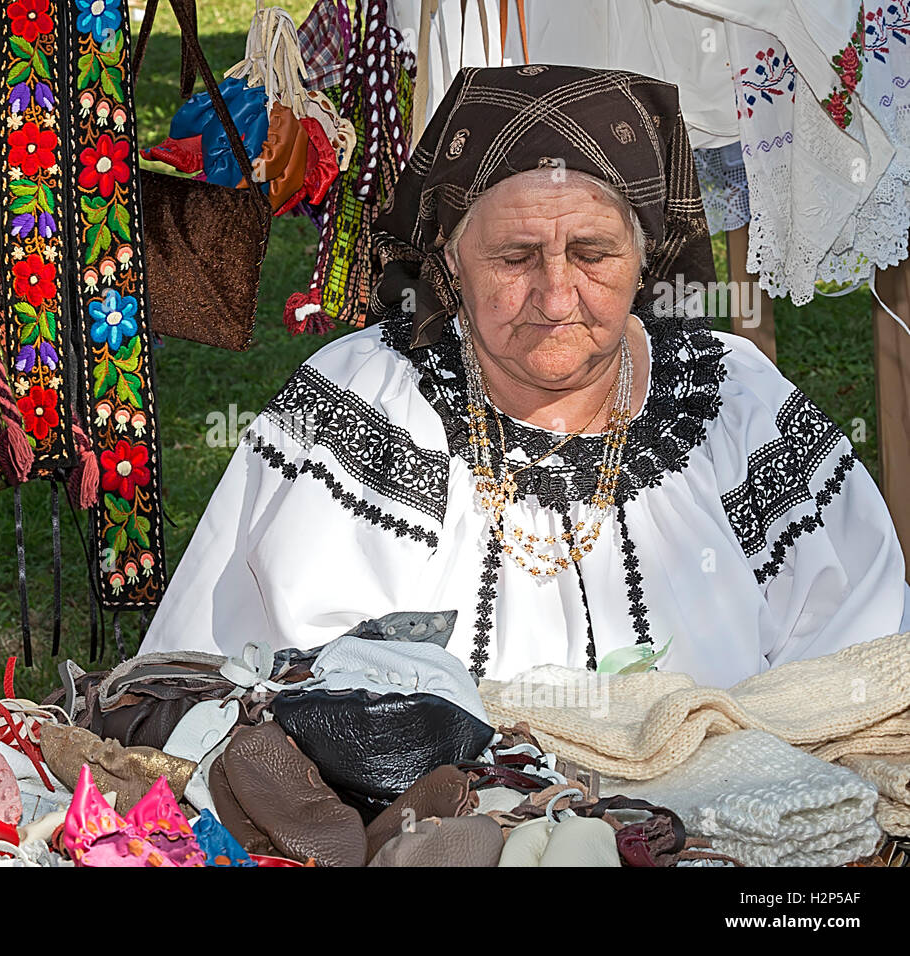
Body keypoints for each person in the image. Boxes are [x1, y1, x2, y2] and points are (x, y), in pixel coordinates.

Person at [140, 65, 910, 687]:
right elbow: (271, 674)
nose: (555, 296)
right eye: (514, 258)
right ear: (447, 255)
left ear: (645, 255)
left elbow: (859, 649)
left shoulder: (735, 402)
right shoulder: (363, 402)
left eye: (594, 254)